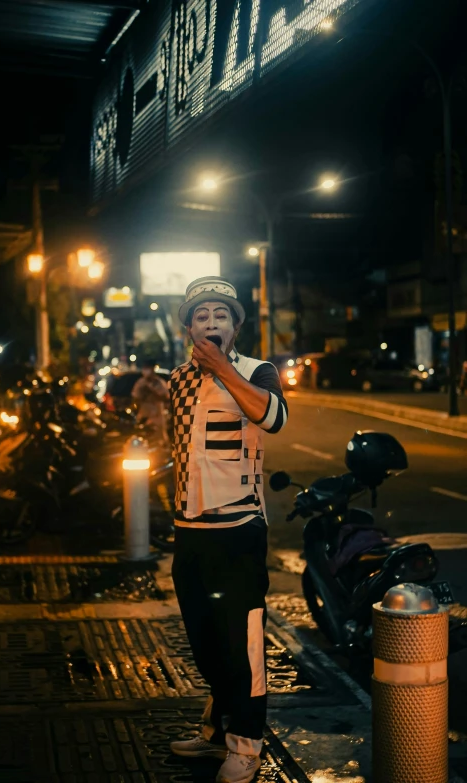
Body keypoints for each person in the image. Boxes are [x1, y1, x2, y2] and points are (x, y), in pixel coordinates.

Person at [169, 276, 288, 783]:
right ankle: (217, 732)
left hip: (237, 530)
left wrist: (222, 370)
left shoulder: (256, 371)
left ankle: (246, 744)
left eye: (221, 314)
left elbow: (275, 418)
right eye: (202, 315)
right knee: (204, 640)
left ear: (235, 326)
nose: (211, 322)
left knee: (243, 644)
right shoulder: (177, 378)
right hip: (188, 531)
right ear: (189, 328)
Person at [131, 359, 170, 443]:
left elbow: (166, 398)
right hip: (144, 417)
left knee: (160, 441)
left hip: (158, 417)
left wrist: (153, 392)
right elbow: (135, 398)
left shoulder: (159, 382)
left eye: (148, 368)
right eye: (145, 368)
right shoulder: (140, 383)